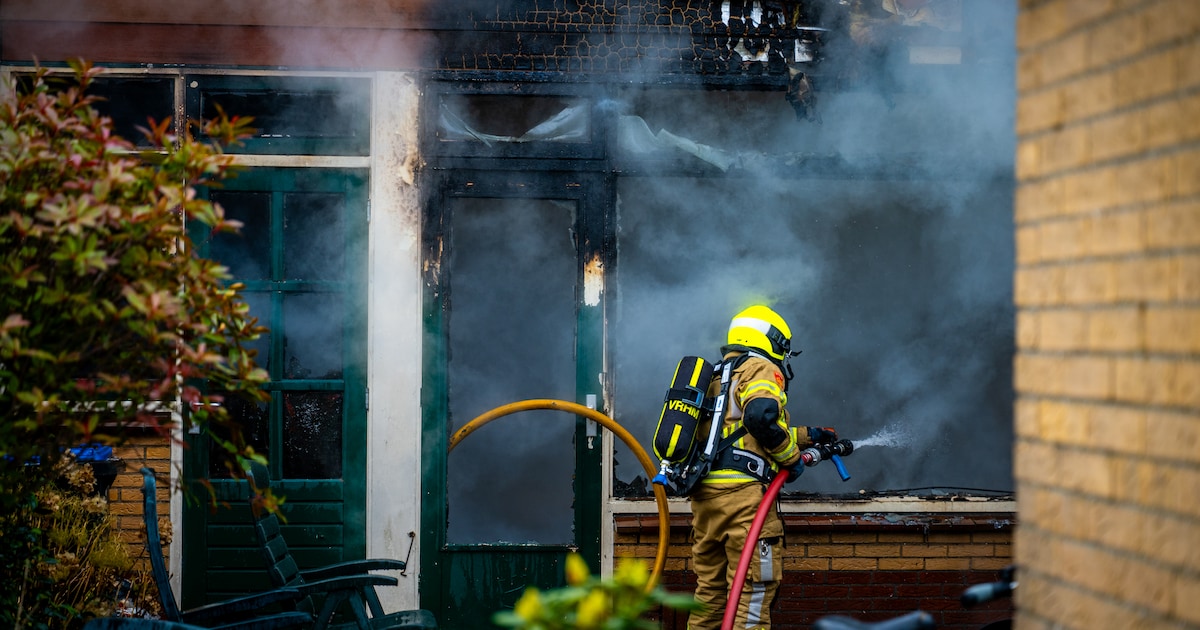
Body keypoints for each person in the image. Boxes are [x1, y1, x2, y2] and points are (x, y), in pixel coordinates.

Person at [687, 304, 838, 630]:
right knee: (753, 591)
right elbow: (759, 417)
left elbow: (738, 434)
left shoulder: (717, 376)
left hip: (706, 501)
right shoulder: (760, 368)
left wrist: (808, 436)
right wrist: (791, 459)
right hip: (743, 501)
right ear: (772, 341)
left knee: (709, 596)